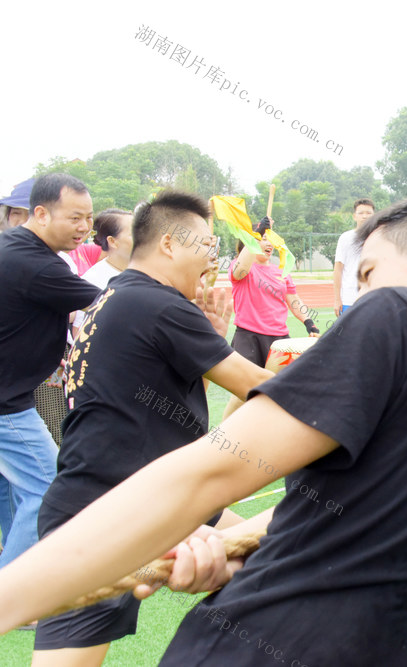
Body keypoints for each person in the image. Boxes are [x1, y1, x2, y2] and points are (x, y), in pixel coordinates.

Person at [0, 195, 407, 667]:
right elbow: (372, 511)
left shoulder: (401, 316)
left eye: (368, 273)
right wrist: (233, 544)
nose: (364, 292)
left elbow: (209, 473)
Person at [33, 191, 276, 666]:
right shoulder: (160, 304)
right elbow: (260, 388)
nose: (213, 261)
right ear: (170, 244)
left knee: (267, 563)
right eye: (207, 248)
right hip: (105, 514)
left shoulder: (122, 295)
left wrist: (211, 340)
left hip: (152, 498)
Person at [0, 174, 101, 569]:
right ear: (40, 214)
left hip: (11, 394)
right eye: (75, 218)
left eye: (89, 218)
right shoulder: (34, 263)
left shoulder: (15, 247)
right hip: (6, 405)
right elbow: (111, 302)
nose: (84, 227)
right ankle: (13, 593)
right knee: (46, 488)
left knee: (13, 490)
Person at [229, 216, 320, 368]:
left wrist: (309, 323)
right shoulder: (241, 266)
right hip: (248, 337)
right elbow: (239, 271)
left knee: (278, 388)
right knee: (246, 389)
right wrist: (255, 235)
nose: (269, 243)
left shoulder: (281, 271)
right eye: (263, 238)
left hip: (280, 339)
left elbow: (293, 300)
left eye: (270, 239)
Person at [70, 209, 133, 337]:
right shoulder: (93, 280)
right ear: (113, 241)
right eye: (134, 233)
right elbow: (79, 332)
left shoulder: (148, 271)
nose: (144, 238)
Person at [331, 198, 376, 316]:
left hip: (373, 299)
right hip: (349, 299)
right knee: (349, 334)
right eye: (361, 213)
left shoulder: (380, 238)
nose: (365, 216)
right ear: (354, 216)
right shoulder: (346, 238)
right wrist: (337, 299)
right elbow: (338, 269)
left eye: (368, 213)